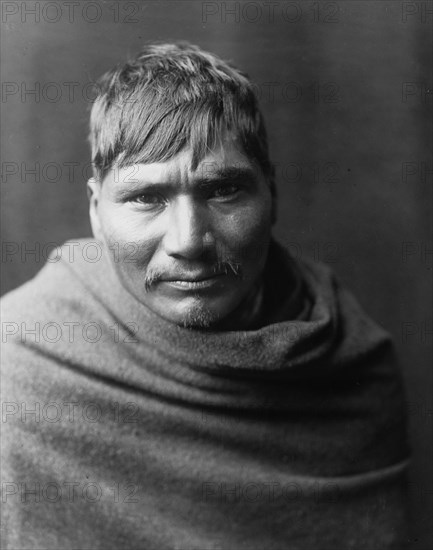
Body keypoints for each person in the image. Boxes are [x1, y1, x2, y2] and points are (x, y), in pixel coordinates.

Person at [1, 42, 410, 549]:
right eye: (146, 198)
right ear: (95, 212)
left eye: (223, 190)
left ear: (271, 194)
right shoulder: (17, 371)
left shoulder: (354, 365)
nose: (189, 241)